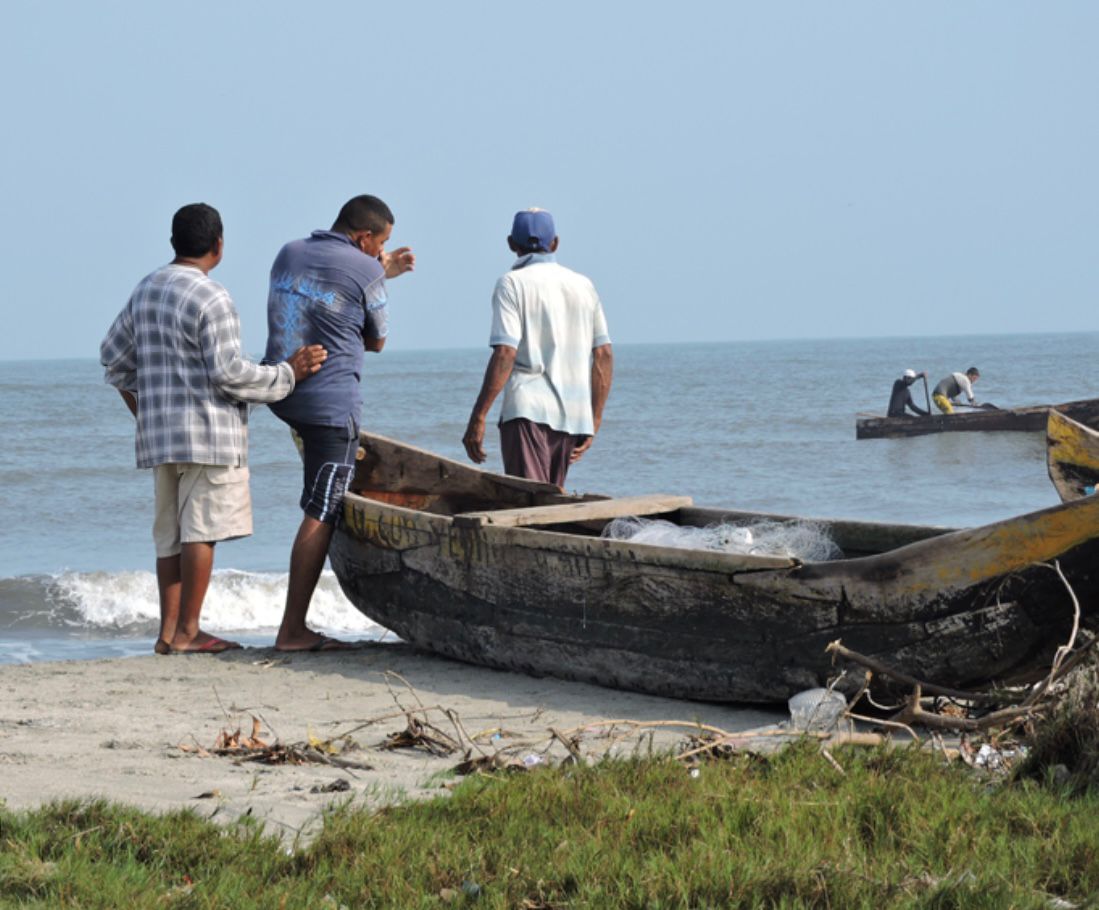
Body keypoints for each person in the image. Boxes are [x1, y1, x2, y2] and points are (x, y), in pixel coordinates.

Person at [100, 203, 328, 655]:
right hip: (209, 433)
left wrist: (146, 413)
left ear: (173, 243)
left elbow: (114, 360)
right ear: (219, 245)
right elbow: (228, 373)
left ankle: (168, 634)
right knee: (200, 532)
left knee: (170, 534)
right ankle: (189, 631)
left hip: (161, 437)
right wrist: (289, 374)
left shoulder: (146, 288)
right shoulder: (212, 296)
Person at [263, 194, 415, 652]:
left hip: (285, 392)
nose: (381, 251)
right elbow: (377, 340)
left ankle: (294, 624)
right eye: (380, 242)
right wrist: (379, 274)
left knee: (317, 498)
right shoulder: (366, 269)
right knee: (321, 509)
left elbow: (324, 295)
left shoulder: (289, 252)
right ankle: (293, 630)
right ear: (364, 237)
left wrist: (378, 268)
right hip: (330, 407)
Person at [462, 208, 613, 486]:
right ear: (555, 243)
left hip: (527, 409)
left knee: (531, 502)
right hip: (572, 415)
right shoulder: (583, 285)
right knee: (551, 499)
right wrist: (595, 418)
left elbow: (505, 352)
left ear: (511, 244)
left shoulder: (511, 284)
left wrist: (478, 416)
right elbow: (603, 354)